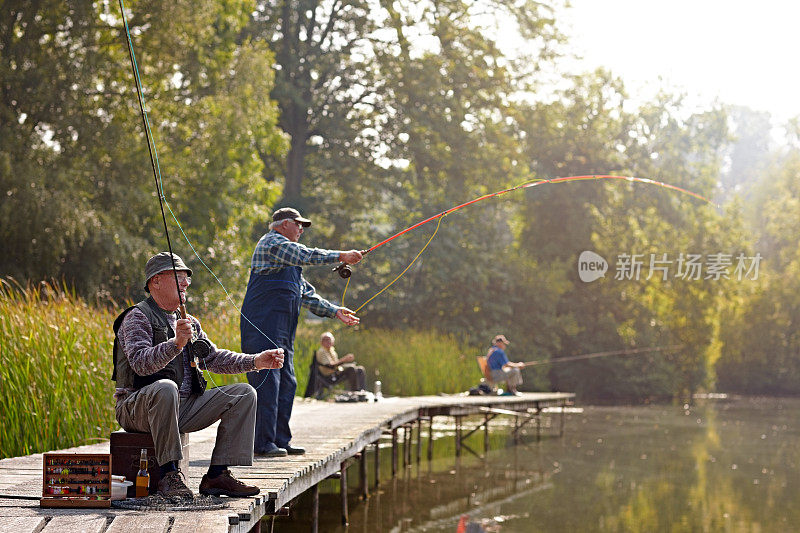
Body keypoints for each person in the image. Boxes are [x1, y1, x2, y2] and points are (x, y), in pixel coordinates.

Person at [113, 252, 285, 499]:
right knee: (165, 387)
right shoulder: (136, 317)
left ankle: (217, 475)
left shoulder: (189, 321)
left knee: (244, 393)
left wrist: (256, 361)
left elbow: (214, 358)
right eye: (178, 277)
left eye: (187, 279)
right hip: (136, 408)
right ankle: (170, 475)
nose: (186, 284)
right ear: (156, 282)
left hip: (182, 409)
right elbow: (141, 364)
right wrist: (176, 344)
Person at [240, 207, 363, 457]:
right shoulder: (273, 243)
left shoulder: (289, 261)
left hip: (283, 333)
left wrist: (334, 311)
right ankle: (262, 444)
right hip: (261, 327)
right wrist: (342, 256)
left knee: (287, 382)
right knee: (268, 383)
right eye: (299, 225)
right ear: (284, 224)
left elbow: (306, 294)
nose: (301, 230)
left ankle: (280, 440)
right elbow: (305, 254)